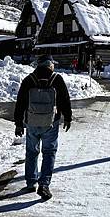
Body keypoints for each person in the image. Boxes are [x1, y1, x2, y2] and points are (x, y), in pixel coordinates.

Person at [14, 54, 72, 200]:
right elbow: (65, 99)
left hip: (32, 123)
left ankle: (30, 182)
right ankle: (44, 184)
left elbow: (20, 102)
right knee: (49, 152)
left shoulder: (29, 79)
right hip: (51, 123)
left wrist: (19, 123)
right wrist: (68, 117)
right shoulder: (56, 79)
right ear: (50, 64)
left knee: (32, 152)